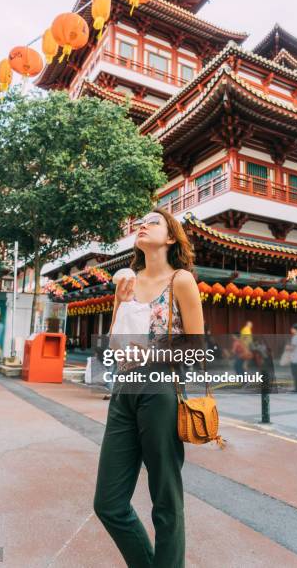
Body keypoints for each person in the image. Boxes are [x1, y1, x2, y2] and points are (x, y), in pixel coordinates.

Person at [94, 208, 204, 568]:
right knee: (108, 504)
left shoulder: (181, 280)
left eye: (152, 222)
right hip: (124, 391)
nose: (142, 225)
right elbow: (112, 343)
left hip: (160, 392)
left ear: (170, 237)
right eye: (139, 222)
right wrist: (120, 303)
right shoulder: (127, 281)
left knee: (166, 501)